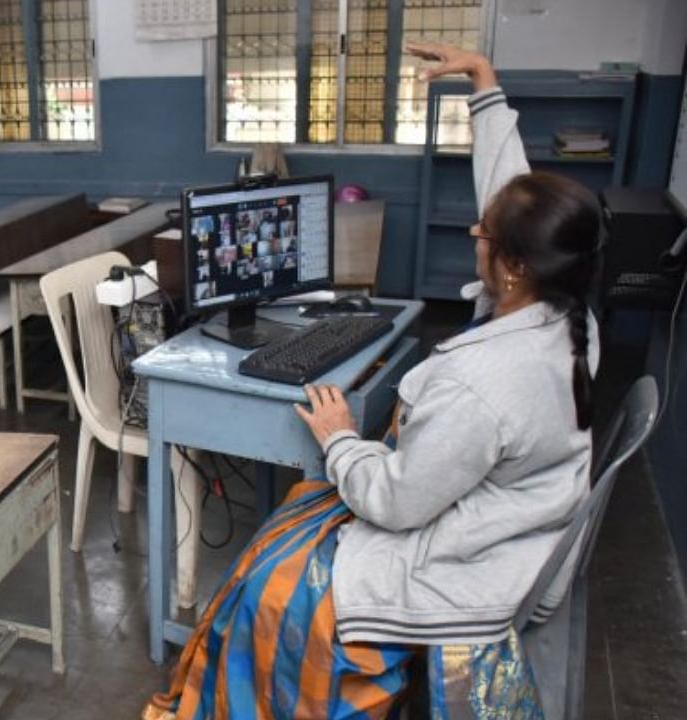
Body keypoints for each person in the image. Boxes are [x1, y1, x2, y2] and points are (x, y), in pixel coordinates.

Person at [146, 42, 601, 720]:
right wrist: (485, 84)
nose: (476, 230)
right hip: (499, 521)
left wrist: (338, 438)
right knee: (283, 530)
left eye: (484, 232)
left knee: (271, 583)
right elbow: (515, 195)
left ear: (511, 265)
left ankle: (246, 698)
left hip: (464, 564)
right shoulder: (568, 315)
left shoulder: (487, 383)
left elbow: (393, 504)